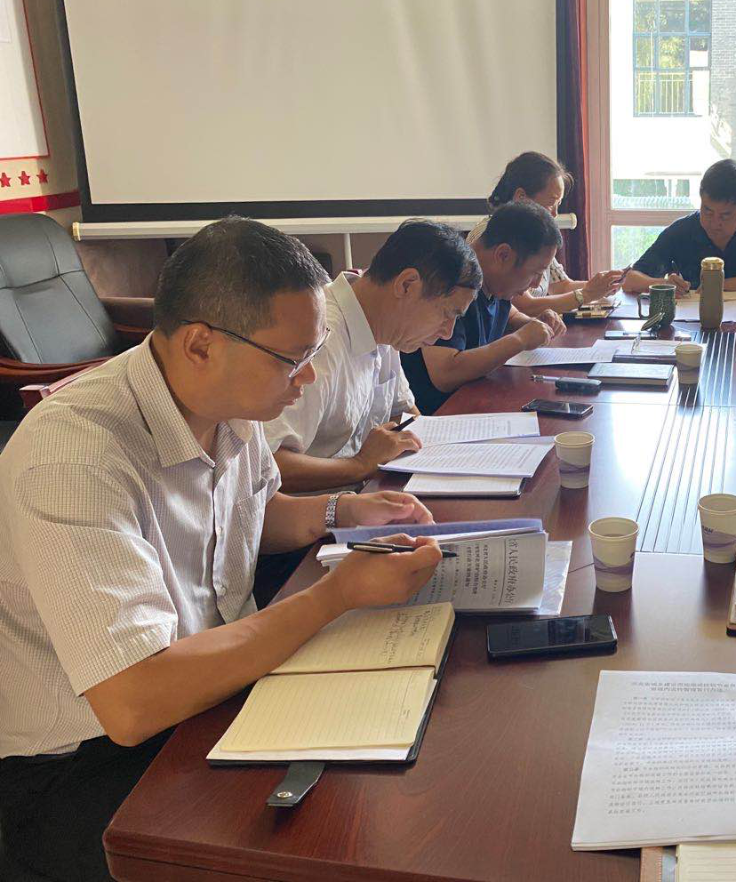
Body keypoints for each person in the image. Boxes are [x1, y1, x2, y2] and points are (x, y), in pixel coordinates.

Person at [0, 217, 446, 882]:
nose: (307, 378)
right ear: (201, 344)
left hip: (204, 687)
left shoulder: (232, 403)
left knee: (393, 769)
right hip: (81, 763)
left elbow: (249, 517)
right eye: (291, 359)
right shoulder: (75, 456)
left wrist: (342, 511)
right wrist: (336, 594)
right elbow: (133, 702)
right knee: (329, 847)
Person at [265, 219, 482, 493]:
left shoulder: (388, 329)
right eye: (447, 313)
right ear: (406, 285)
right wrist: (360, 465)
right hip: (317, 512)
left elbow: (404, 413)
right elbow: (268, 464)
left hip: (363, 496)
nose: (449, 332)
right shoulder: (320, 339)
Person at [403, 200, 566, 414]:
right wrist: (519, 340)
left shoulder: (498, 284)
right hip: (438, 415)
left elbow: (507, 315)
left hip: (475, 404)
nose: (536, 284)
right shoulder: (453, 280)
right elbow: (445, 373)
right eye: (536, 273)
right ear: (503, 255)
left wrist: (532, 324)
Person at [621, 160, 736, 297]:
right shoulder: (683, 230)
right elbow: (631, 280)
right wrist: (663, 284)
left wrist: (733, 283)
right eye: (707, 211)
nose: (714, 223)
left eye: (725, 215)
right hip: (693, 323)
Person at [478, 151, 624, 316]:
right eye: (550, 204)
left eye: (558, 205)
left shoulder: (535, 234)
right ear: (521, 198)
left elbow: (561, 286)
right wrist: (587, 294)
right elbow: (525, 307)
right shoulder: (493, 235)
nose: (554, 214)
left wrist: (601, 286)